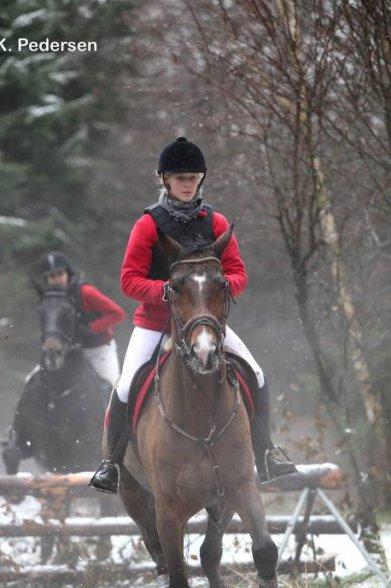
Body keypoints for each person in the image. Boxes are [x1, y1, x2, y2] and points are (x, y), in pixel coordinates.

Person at [90, 136, 296, 493]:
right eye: (180, 177)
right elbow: (128, 280)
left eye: (193, 177)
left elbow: (238, 273)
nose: (187, 184)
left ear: (200, 179)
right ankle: (112, 463)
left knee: (258, 375)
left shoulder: (216, 222)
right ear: (165, 180)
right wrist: (163, 292)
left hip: (206, 323)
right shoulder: (148, 225)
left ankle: (266, 452)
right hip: (156, 323)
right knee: (124, 386)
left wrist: (219, 289)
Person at [35, 251, 125, 389]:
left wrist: (91, 328)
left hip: (99, 349)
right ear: (46, 280)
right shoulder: (48, 299)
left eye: (60, 274)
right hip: (70, 352)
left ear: (68, 273)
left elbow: (117, 314)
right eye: (52, 276)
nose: (57, 279)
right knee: (31, 381)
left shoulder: (86, 292)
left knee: (114, 390)